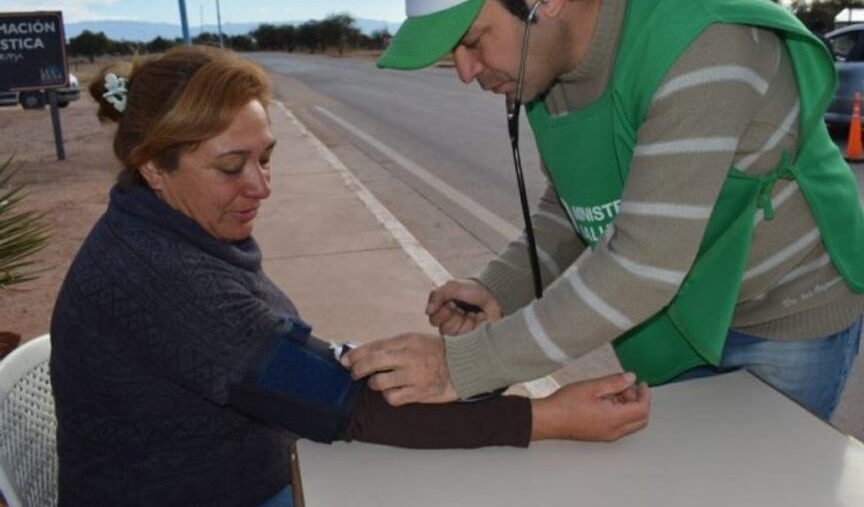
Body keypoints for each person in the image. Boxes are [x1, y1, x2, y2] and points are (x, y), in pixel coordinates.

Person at [344, 0, 864, 421]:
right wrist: (500, 287)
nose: (463, 71)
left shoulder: (701, 37)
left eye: (474, 40)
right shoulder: (543, 64)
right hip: (678, 316)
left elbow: (642, 264)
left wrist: (458, 367)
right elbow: (580, 201)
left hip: (784, 314)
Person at [49, 46, 650, 507]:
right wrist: (551, 418)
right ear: (155, 167)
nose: (260, 185)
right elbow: (350, 408)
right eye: (232, 167)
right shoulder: (165, 280)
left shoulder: (165, 229)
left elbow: (283, 364)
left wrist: (444, 369)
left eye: (265, 157)